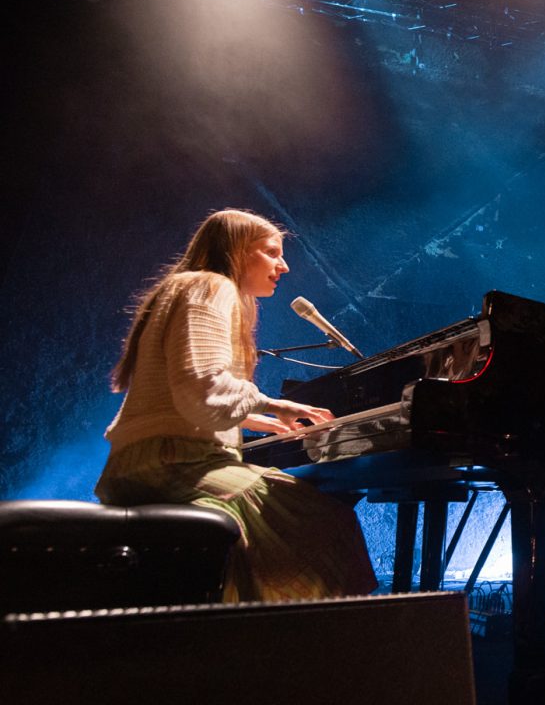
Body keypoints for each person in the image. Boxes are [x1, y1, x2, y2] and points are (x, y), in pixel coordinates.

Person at [96, 208, 378, 602]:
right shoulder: (212, 286)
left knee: (285, 529)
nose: (283, 266)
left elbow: (182, 402)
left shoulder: (182, 287)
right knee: (328, 522)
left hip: (138, 465)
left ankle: (242, 616)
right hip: (174, 465)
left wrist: (263, 421)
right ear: (238, 250)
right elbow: (202, 389)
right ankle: (300, 632)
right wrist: (274, 404)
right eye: (271, 252)